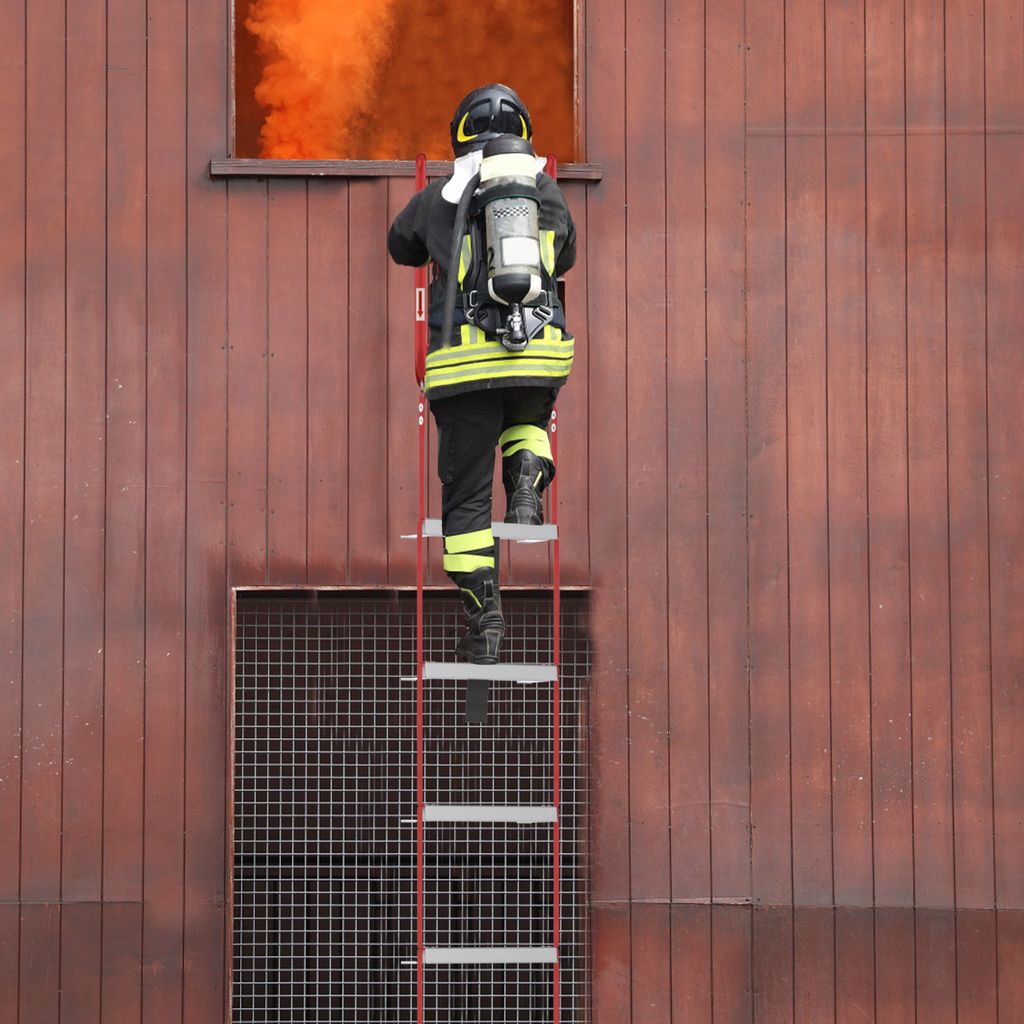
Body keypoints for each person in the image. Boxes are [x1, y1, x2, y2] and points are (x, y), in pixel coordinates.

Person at [388, 83, 577, 664]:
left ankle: (485, 616)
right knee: (527, 422)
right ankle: (524, 489)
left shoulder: (440, 192)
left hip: (464, 366)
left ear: (460, 132)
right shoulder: (541, 188)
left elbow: (400, 247)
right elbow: (564, 256)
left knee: (467, 501)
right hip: (539, 355)